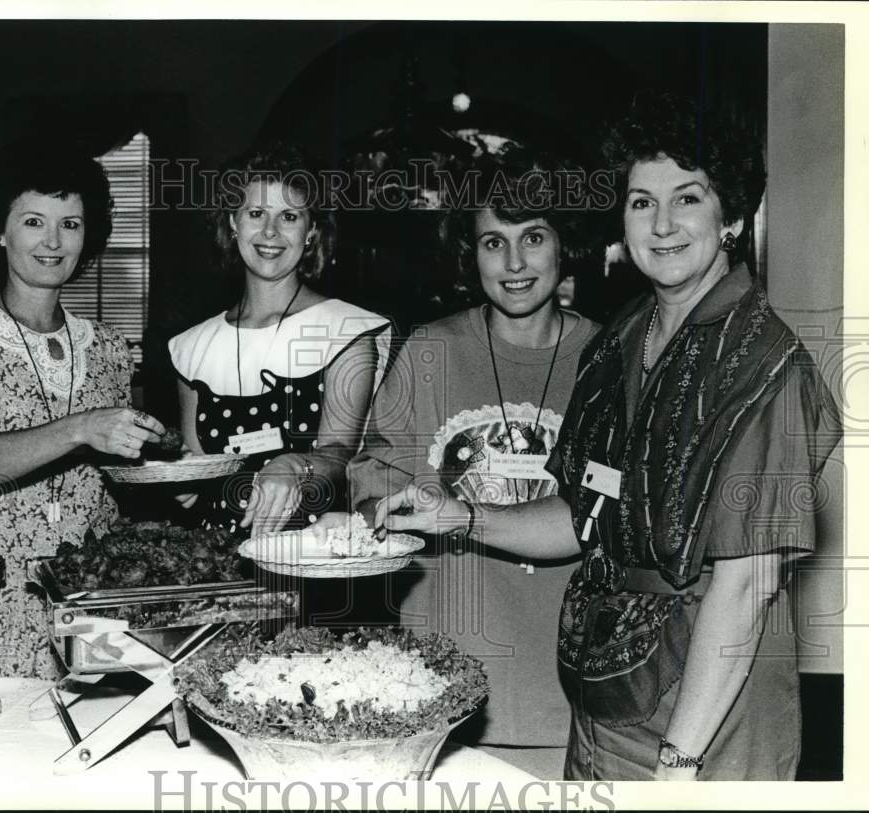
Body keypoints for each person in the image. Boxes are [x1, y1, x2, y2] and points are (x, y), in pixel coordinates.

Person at [361, 92, 841, 780]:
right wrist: (460, 514)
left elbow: (746, 589)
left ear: (732, 215)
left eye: (688, 198)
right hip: (610, 694)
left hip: (710, 713)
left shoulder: (766, 366)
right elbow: (585, 516)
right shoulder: (621, 342)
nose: (663, 223)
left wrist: (679, 762)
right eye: (642, 201)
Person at [315, 147, 600, 756]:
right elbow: (373, 485)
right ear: (470, 255)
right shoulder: (430, 352)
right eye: (493, 242)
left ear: (564, 245)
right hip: (444, 684)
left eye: (534, 236)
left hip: (575, 695)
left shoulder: (610, 360)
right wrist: (377, 510)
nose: (515, 262)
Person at [0, 142, 166, 679]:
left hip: (98, 607)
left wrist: (167, 465)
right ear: (0, 232)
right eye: (33, 221)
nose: (52, 241)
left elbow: (114, 478)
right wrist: (82, 427)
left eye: (70, 223)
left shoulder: (109, 349)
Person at [169, 142, 390, 538]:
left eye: (289, 216)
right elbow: (195, 468)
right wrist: (181, 480)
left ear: (312, 232)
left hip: (308, 556)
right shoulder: (192, 347)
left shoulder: (343, 331)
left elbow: (340, 458)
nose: (270, 232)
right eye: (256, 213)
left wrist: (294, 465)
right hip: (214, 561)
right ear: (233, 223)